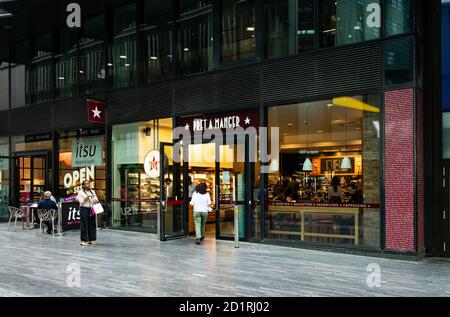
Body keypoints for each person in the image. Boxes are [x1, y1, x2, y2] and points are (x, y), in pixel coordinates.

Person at [76, 181, 98, 246]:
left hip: (91, 208)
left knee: (92, 224)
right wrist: (86, 197)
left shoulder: (92, 191)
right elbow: (81, 201)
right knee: (84, 224)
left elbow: (96, 200)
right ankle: (84, 240)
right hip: (84, 208)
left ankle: (92, 239)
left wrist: (93, 197)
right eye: (86, 184)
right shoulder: (80, 192)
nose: (88, 185)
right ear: (83, 186)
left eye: (88, 184)